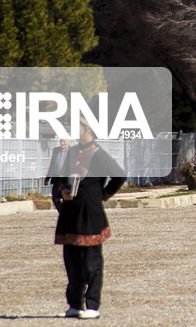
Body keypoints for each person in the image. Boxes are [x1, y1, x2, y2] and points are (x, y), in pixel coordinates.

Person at [50, 122, 126, 320]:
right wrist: (62, 190)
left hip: (90, 213)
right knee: (72, 262)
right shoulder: (70, 152)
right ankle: (75, 304)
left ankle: (92, 305)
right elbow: (59, 178)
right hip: (70, 213)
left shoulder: (98, 153)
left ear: (88, 130)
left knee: (92, 262)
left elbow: (119, 175)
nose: (75, 132)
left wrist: (103, 194)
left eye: (78, 128)